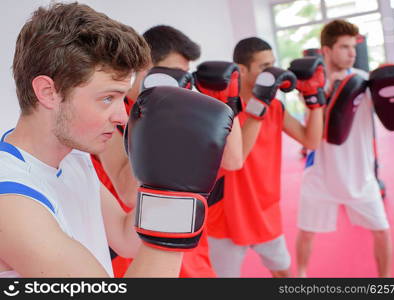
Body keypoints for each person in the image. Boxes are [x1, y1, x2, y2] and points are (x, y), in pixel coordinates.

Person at [0, 2, 231, 277]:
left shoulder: (73, 157)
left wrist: (175, 181)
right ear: (48, 92)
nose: (123, 116)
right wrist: (180, 200)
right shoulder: (12, 203)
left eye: (123, 97)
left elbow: (125, 236)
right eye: (107, 98)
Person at [94, 25, 242, 278]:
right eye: (176, 72)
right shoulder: (113, 114)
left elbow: (234, 160)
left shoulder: (186, 111)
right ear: (146, 68)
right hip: (138, 255)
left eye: (186, 73)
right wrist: (156, 119)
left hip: (188, 246)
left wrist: (226, 101)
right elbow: (128, 193)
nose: (183, 80)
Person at [207, 37, 325, 277]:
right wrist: (259, 105)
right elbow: (238, 157)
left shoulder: (274, 107)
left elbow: (310, 141)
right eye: (263, 67)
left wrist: (315, 100)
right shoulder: (221, 108)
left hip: (265, 211)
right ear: (241, 70)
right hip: (227, 215)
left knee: (283, 274)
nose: (271, 72)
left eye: (272, 64)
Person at [296, 19, 393, 278]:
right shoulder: (313, 85)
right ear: (326, 50)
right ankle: (301, 276)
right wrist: (329, 91)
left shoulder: (365, 81)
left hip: (361, 176)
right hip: (320, 175)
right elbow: (310, 126)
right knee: (306, 232)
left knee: (382, 231)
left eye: (353, 47)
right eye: (344, 47)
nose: (352, 53)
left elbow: (390, 112)